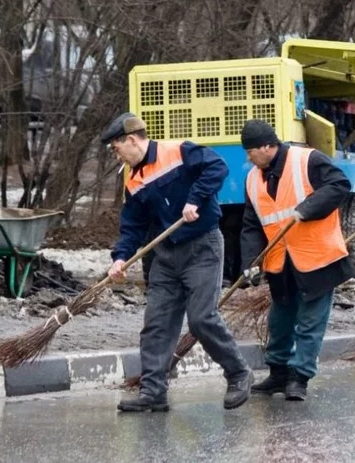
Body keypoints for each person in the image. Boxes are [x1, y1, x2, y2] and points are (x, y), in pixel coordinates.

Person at [103, 112, 254, 412]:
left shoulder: (179, 151)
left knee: (201, 318)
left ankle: (239, 373)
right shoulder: (133, 181)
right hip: (166, 256)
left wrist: (195, 199)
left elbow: (217, 167)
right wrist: (120, 258)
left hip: (203, 247)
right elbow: (132, 225)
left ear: (131, 140)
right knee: (156, 324)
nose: (115, 153)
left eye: (116, 147)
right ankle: (153, 392)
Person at [240, 119, 353, 401]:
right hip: (280, 261)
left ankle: (299, 377)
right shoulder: (253, 178)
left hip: (317, 257)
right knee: (280, 320)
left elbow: (339, 185)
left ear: (267, 146)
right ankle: (278, 373)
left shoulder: (307, 159)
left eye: (250, 150)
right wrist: (251, 262)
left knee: (310, 322)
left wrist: (308, 208)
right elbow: (252, 225)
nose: (248, 157)